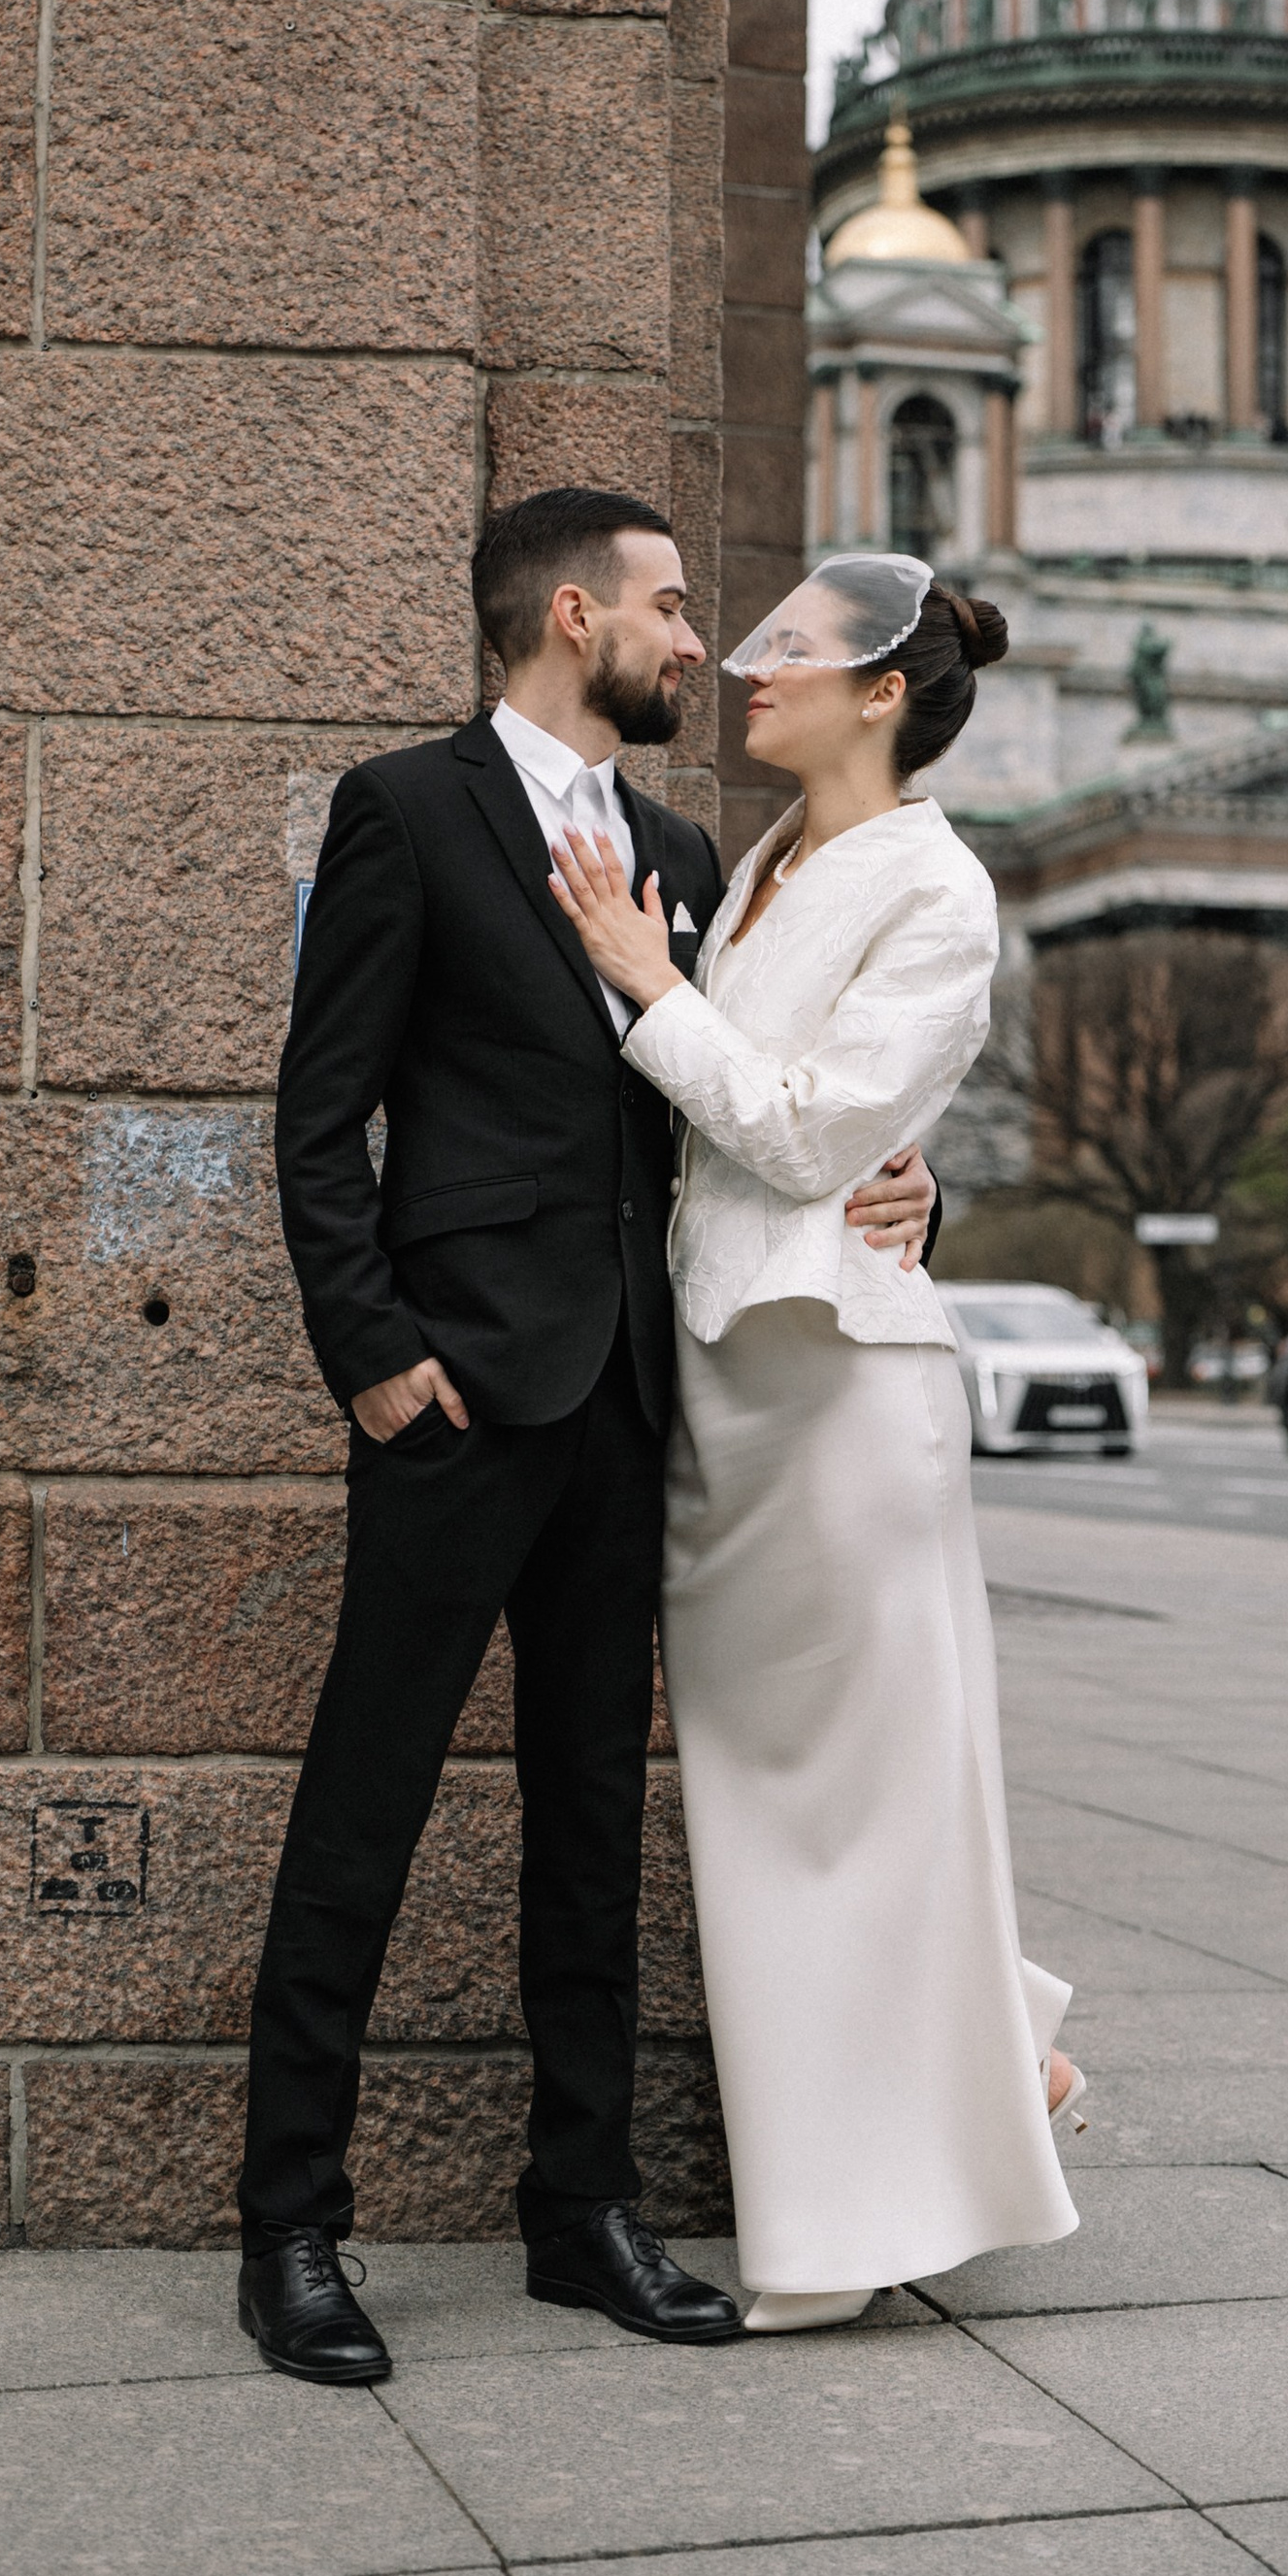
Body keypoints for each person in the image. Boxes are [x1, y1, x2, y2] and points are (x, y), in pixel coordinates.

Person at [238, 488, 937, 2385]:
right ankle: (290, 2229)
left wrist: (905, 1184)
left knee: (587, 1824)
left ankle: (581, 2213)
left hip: (635, 1400)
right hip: (458, 1396)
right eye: (671, 607)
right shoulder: (407, 812)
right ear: (569, 617)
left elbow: (754, 1105)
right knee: (364, 1807)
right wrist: (371, 1354)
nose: (698, 643)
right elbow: (321, 1116)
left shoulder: (689, 853)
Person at [546, 552, 1081, 2330]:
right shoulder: (768, 858)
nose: (751, 667)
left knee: (839, 1816)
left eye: (796, 651)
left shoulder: (940, 886)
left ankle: (845, 2234)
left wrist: (644, 977)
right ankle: (998, 2053)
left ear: (882, 698)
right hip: (732, 1395)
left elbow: (797, 1133)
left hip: (843, 1403)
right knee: (807, 1803)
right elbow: (792, 1145)